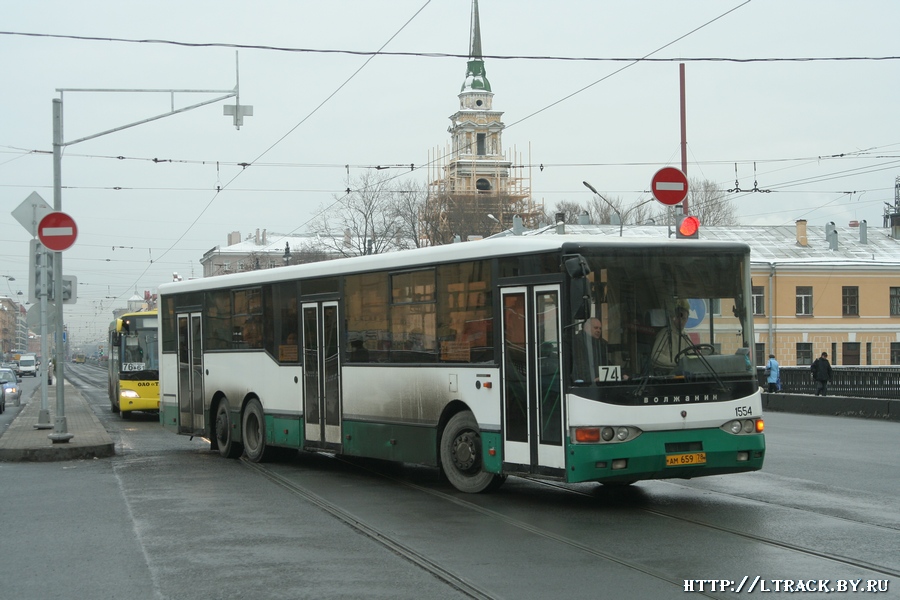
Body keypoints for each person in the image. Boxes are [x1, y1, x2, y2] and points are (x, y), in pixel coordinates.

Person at [651, 300, 690, 370]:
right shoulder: (665, 333)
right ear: (673, 318)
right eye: (678, 317)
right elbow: (655, 356)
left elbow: (691, 355)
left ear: (687, 320)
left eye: (684, 318)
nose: (681, 321)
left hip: (681, 374)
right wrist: (675, 362)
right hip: (665, 374)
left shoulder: (686, 337)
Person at [572, 318, 610, 382]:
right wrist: (591, 379)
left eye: (600, 328)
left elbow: (605, 362)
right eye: (596, 328)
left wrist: (621, 373)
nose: (598, 330)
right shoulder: (577, 341)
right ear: (587, 328)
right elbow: (580, 365)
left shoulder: (602, 344)